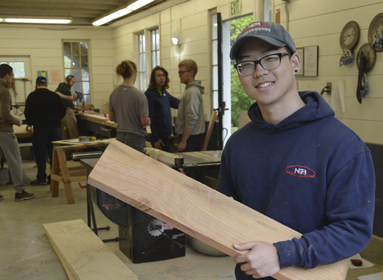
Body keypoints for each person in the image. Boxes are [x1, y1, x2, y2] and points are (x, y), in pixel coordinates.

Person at [216, 21, 375, 280]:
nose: (259, 72)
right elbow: (226, 211)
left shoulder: (343, 146)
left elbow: (353, 230)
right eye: (247, 64)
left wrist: (284, 254)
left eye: (270, 58)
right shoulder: (237, 144)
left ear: (295, 62)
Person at [0, 64, 34, 202]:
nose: (13, 78)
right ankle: (19, 191)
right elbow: (5, 116)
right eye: (12, 75)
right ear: (7, 75)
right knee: (14, 160)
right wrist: (18, 122)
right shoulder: (4, 91)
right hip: (4, 130)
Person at [24, 76, 66, 185]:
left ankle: (41, 178)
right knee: (54, 154)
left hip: (40, 129)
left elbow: (27, 112)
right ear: (47, 85)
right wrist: (56, 120)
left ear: (36, 85)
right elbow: (63, 111)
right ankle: (54, 177)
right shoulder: (54, 96)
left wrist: (30, 122)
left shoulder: (32, 96)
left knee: (41, 154)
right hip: (55, 129)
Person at [109, 60, 150, 153]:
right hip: (135, 137)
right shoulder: (139, 95)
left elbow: (111, 117)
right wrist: (148, 120)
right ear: (135, 72)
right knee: (137, 166)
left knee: (123, 166)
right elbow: (144, 121)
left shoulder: (114, 94)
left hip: (119, 135)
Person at [145, 66, 180, 151]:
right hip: (158, 137)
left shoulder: (164, 93)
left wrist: (188, 101)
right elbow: (150, 118)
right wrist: (155, 138)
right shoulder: (149, 94)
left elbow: (176, 103)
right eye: (159, 76)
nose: (162, 78)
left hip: (167, 134)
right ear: (154, 78)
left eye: (163, 75)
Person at [175, 59, 205, 153]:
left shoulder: (192, 92)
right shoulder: (190, 90)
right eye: (179, 72)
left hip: (190, 138)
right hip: (190, 136)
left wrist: (183, 141)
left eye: (182, 72)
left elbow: (191, 118)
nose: (179, 75)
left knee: (186, 167)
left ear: (191, 73)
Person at [55, 75, 79, 139]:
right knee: (74, 133)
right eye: (72, 82)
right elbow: (56, 93)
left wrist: (74, 107)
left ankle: (65, 149)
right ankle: (78, 149)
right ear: (67, 80)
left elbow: (64, 101)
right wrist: (69, 98)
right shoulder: (63, 85)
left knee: (64, 136)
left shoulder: (65, 88)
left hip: (63, 113)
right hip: (68, 113)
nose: (72, 84)